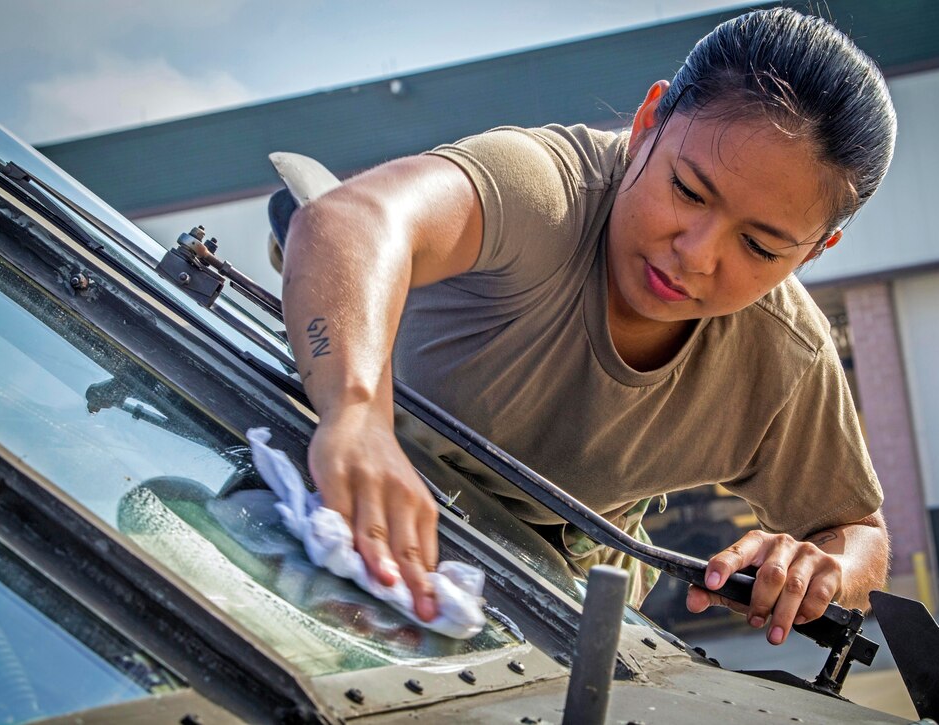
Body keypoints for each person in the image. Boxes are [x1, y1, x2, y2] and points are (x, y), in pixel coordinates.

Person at [279, 7, 896, 646]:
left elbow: (858, 534)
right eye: (687, 190)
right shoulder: (543, 192)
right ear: (648, 120)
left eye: (761, 247)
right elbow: (345, 222)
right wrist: (355, 417)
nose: (698, 253)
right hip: (344, 509)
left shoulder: (784, 356)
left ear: (816, 249)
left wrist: (820, 571)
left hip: (546, 613)